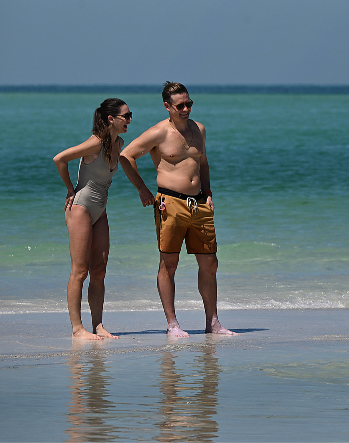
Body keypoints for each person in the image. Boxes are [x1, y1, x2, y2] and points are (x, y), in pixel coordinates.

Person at [119, 82, 236, 337]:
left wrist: (208, 194)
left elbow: (202, 163)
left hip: (199, 204)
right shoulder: (158, 133)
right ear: (167, 107)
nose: (186, 109)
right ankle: (173, 324)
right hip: (169, 203)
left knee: (210, 263)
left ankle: (212, 322)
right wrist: (143, 189)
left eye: (189, 104)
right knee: (169, 264)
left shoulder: (199, 130)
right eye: (180, 105)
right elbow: (126, 156)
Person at [53, 98, 131, 340]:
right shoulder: (95, 142)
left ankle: (98, 325)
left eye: (130, 116)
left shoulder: (119, 142)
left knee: (99, 269)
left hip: (101, 209)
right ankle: (77, 329)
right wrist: (69, 189)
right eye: (126, 116)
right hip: (81, 207)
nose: (129, 120)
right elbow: (60, 159)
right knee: (80, 270)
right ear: (111, 119)